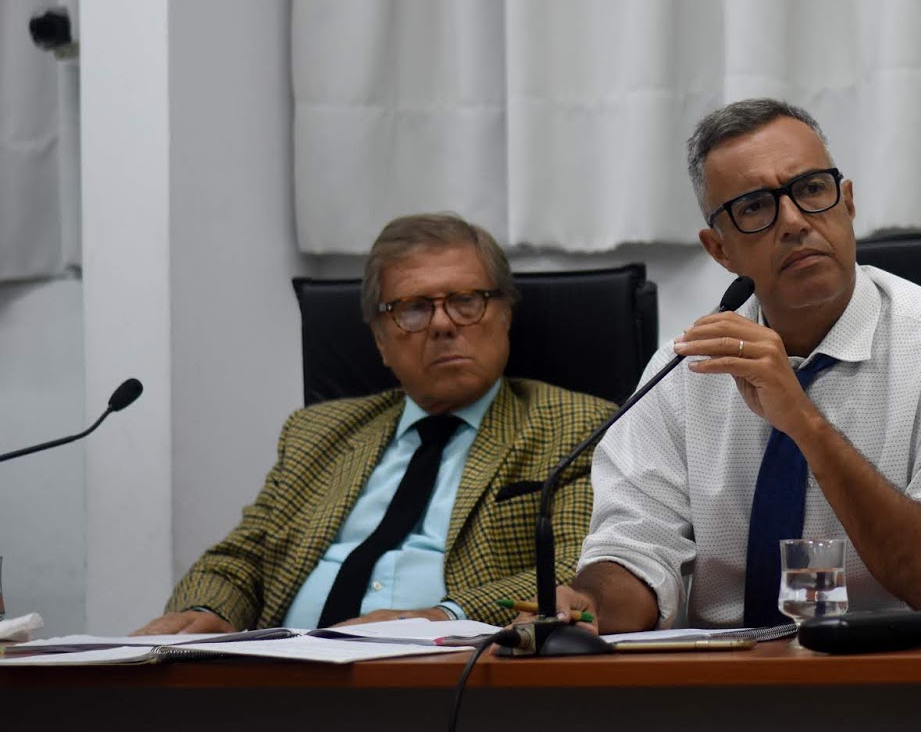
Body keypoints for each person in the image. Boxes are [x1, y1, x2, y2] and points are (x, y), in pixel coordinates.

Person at [565, 98, 921, 632]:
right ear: (720, 250)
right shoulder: (682, 372)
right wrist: (587, 604)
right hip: (732, 673)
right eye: (754, 207)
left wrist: (805, 424)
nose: (793, 221)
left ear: (847, 203)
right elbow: (635, 553)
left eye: (810, 189)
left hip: (917, 667)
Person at [134, 213, 613, 633]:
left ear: (505, 315)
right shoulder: (315, 434)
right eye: (414, 309)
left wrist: (440, 617)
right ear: (381, 339)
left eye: (467, 300)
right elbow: (242, 558)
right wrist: (206, 609)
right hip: (290, 672)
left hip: (453, 675)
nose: (442, 324)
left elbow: (579, 567)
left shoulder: (574, 427)